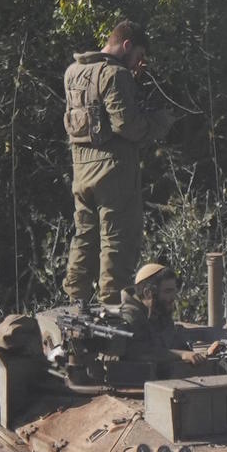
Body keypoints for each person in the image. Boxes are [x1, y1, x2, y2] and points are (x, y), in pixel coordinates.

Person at [63, 18, 161, 305]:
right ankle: (113, 309)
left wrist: (133, 81)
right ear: (127, 45)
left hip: (82, 172)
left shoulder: (74, 71)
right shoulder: (116, 75)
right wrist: (158, 123)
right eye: (139, 56)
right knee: (117, 243)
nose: (138, 62)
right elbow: (127, 126)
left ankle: (75, 303)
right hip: (113, 173)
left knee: (84, 237)